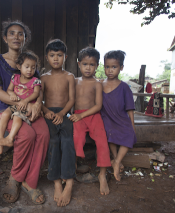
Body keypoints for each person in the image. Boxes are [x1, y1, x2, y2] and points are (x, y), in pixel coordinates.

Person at [0, 20, 49, 205]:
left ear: (25, 39)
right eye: (12, 33)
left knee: (44, 134)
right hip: (6, 108)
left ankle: (29, 182)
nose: (16, 36)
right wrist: (22, 105)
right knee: (27, 135)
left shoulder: (29, 63)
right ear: (5, 38)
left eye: (20, 34)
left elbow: (38, 88)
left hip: (29, 107)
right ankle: (15, 177)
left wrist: (37, 104)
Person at [68, 47, 111, 195]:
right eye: (85, 64)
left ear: (96, 66)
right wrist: (73, 115)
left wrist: (82, 115)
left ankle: (102, 174)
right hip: (77, 116)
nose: (88, 68)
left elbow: (98, 105)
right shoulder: (74, 81)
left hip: (93, 115)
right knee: (75, 138)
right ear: (79, 64)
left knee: (102, 141)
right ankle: (71, 169)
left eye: (92, 64)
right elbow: (69, 100)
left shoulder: (97, 83)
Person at [41, 39, 76, 207]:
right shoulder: (43, 78)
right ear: (46, 57)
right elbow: (39, 101)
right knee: (53, 142)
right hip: (48, 114)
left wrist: (62, 113)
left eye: (59, 55)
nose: (56, 59)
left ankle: (69, 182)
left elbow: (72, 99)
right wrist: (47, 112)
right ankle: (56, 182)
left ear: (65, 57)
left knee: (68, 141)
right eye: (52, 55)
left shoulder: (70, 76)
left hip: (65, 113)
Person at [0, 51, 41, 153]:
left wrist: (26, 101)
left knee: (16, 117)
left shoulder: (35, 81)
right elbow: (9, 90)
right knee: (4, 114)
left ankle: (10, 138)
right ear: (19, 66)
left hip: (25, 107)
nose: (30, 70)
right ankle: (1, 140)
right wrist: (12, 95)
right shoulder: (15, 78)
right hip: (16, 105)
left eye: (33, 67)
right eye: (27, 67)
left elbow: (36, 93)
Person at [101, 50, 137, 181]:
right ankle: (116, 159)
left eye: (114, 67)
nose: (110, 70)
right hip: (106, 117)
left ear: (121, 68)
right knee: (109, 132)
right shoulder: (100, 84)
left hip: (120, 117)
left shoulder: (124, 87)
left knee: (129, 133)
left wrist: (132, 124)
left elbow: (130, 108)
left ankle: (116, 161)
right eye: (107, 67)